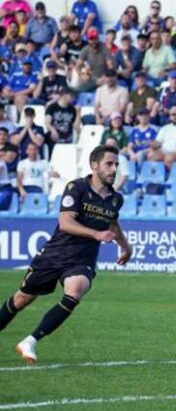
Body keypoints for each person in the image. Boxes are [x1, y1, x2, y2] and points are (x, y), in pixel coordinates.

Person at [0, 145, 131, 364]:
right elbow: (66, 223)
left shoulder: (116, 199)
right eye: (109, 164)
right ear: (94, 165)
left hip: (82, 259)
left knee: (76, 290)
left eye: (116, 164)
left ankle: (30, 341)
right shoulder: (76, 188)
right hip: (55, 254)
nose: (114, 169)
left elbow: (113, 224)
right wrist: (96, 234)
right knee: (22, 299)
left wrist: (126, 248)